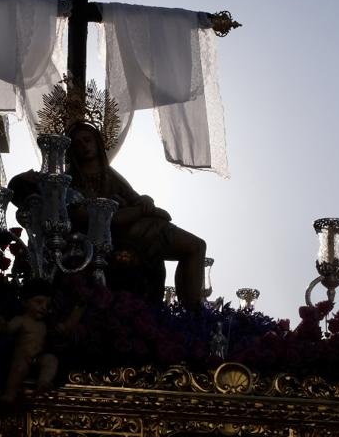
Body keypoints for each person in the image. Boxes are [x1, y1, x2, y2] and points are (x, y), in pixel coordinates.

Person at [13, 121, 207, 306]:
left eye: (87, 140)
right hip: (115, 236)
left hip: (140, 227)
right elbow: (89, 216)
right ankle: (193, 314)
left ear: (97, 142)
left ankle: (193, 312)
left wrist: (145, 201)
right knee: (190, 246)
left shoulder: (109, 174)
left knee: (196, 246)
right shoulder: (68, 182)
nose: (84, 146)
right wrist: (140, 210)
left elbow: (135, 198)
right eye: (77, 144)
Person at [0, 279, 83, 404]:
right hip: (23, 357)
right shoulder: (21, 320)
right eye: (39, 302)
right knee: (18, 369)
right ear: (25, 302)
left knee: (51, 360)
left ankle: (44, 382)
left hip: (39, 356)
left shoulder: (45, 323)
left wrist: (78, 310)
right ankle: (10, 394)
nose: (43, 308)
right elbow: (9, 328)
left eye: (47, 305)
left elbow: (63, 329)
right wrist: (3, 326)